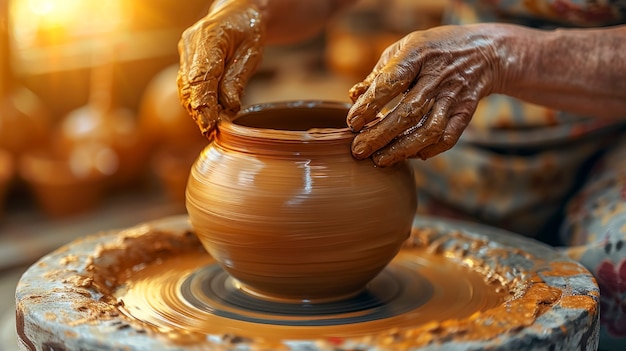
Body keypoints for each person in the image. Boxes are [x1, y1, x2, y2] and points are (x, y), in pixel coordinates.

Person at [177, 0, 626, 348]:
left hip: (606, 124)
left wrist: (503, 55)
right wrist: (248, 8)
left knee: (614, 279)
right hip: (459, 113)